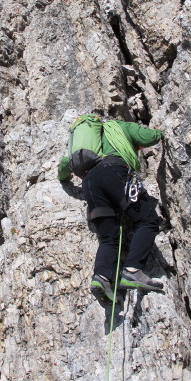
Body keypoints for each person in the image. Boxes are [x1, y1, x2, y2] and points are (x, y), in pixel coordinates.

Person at [58, 118, 164, 304]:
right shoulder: (119, 126)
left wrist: (63, 178)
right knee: (147, 219)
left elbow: (65, 164)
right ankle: (132, 271)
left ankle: (102, 278)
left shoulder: (84, 148)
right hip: (113, 171)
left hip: (89, 183)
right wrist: (162, 131)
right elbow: (148, 138)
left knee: (109, 236)